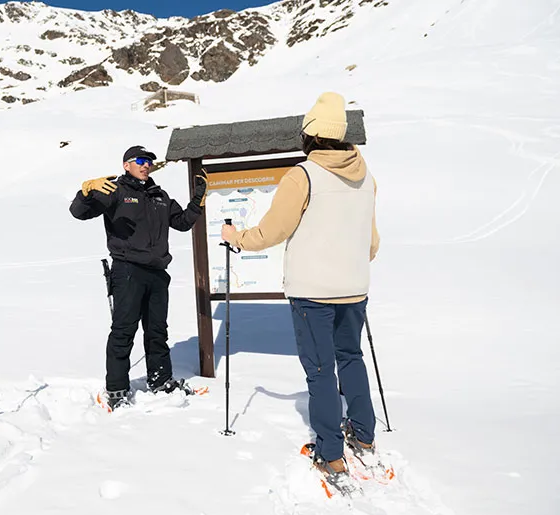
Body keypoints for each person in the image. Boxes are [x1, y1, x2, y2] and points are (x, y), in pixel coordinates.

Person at [221, 92, 381, 479]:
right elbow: (372, 242)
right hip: (355, 288)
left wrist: (235, 236)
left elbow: (272, 230)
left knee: (321, 370)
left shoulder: (303, 174)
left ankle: (330, 452)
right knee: (351, 358)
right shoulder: (366, 175)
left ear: (310, 135)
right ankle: (363, 434)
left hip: (313, 293)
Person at [70, 145, 207, 409]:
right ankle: (117, 389)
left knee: (157, 331)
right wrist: (85, 192)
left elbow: (181, 222)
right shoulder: (115, 191)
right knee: (124, 331)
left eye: (150, 162)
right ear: (127, 165)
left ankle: (160, 380)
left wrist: (197, 201)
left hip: (157, 273)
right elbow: (79, 212)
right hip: (128, 271)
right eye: (141, 161)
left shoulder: (160, 196)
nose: (146, 165)